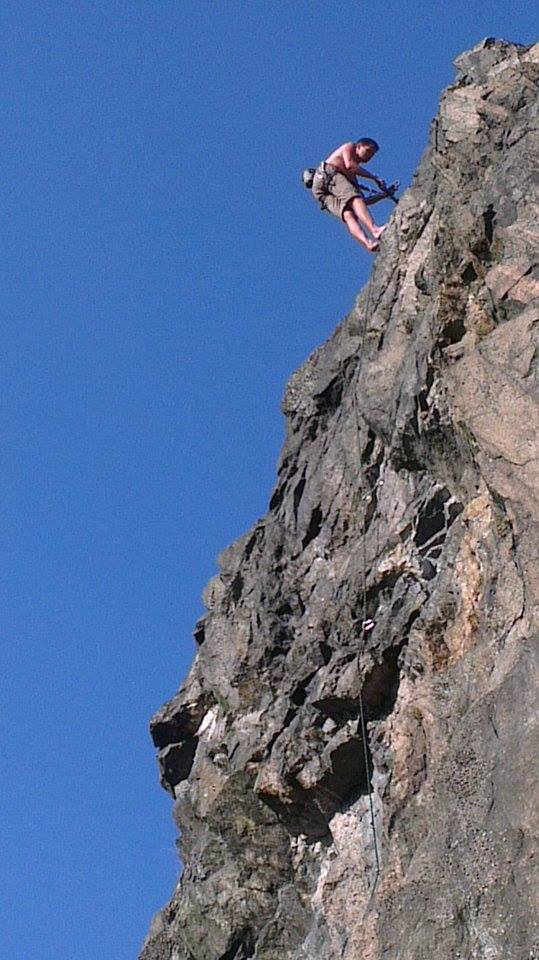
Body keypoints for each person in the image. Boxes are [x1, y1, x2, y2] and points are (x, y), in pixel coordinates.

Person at [311, 138, 393, 253]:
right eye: (368, 151)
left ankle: (368, 243)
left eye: (372, 154)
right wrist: (374, 177)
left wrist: (384, 195)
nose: (369, 156)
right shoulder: (349, 147)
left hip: (320, 192)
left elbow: (363, 202)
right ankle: (375, 230)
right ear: (358, 146)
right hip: (327, 173)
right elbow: (350, 165)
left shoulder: (350, 178)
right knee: (354, 198)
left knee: (349, 214)